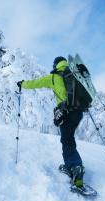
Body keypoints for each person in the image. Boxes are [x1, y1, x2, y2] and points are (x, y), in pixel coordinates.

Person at [17, 56, 85, 188]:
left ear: (55, 65)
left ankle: (75, 167)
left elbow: (35, 83)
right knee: (68, 138)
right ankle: (71, 164)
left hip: (67, 113)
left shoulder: (53, 77)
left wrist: (22, 83)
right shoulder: (74, 75)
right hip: (78, 113)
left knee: (66, 141)